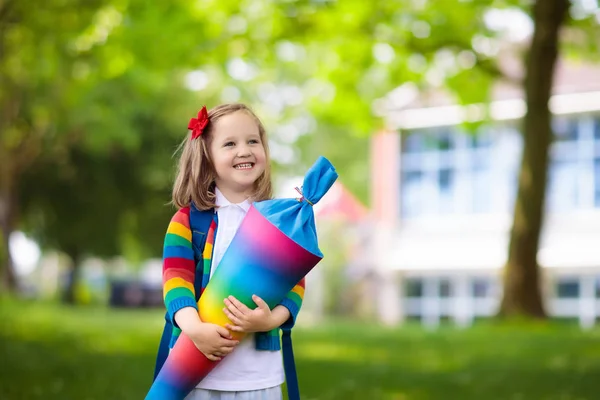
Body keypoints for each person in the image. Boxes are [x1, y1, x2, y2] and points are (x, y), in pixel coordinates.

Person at [161, 103, 305, 400]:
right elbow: (176, 281)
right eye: (230, 143)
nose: (245, 150)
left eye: (253, 141)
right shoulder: (187, 221)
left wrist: (270, 320)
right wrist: (195, 329)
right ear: (206, 157)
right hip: (195, 371)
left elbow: (294, 283)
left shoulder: (277, 221)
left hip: (258, 375)